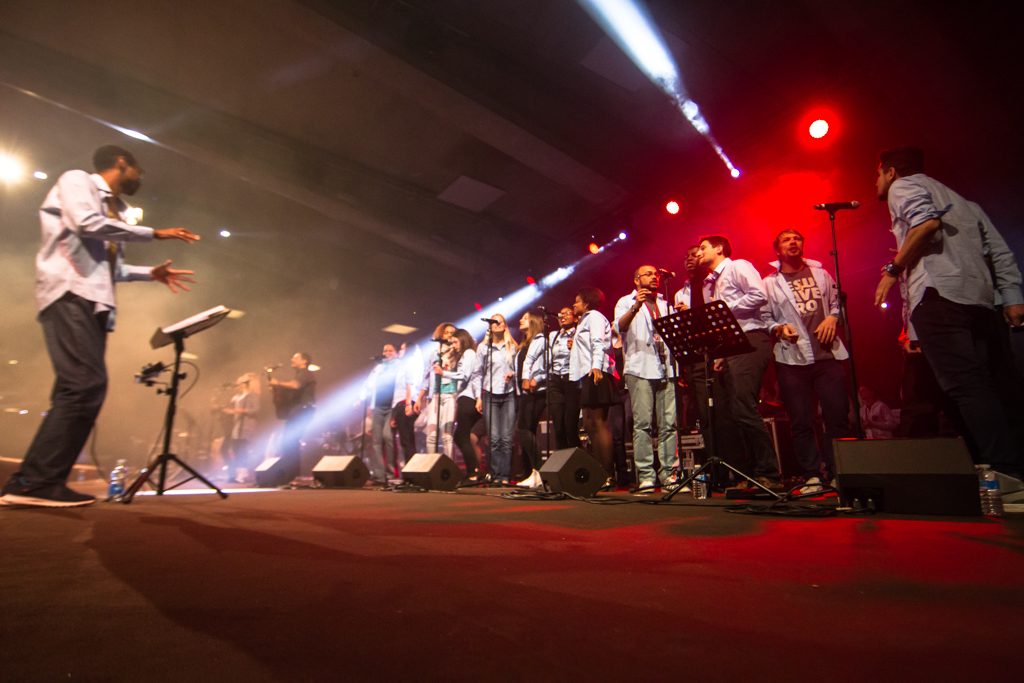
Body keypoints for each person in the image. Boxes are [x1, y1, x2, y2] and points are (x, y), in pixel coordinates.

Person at [1, 145, 199, 508]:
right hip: (69, 293)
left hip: (91, 300)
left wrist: (150, 274)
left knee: (76, 388)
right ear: (122, 163)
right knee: (85, 385)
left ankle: (36, 482)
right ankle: (35, 483)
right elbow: (85, 224)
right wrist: (155, 234)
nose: (140, 178)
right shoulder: (78, 181)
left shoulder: (116, 211)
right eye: (139, 171)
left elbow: (109, 269)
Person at [873, 146, 1024, 477]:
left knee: (965, 388)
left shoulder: (903, 186)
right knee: (980, 388)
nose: (877, 183)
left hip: (940, 299)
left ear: (890, 172)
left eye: (878, 175)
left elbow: (926, 224)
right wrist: (1012, 297)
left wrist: (892, 270)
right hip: (981, 301)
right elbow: (1000, 252)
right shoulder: (966, 203)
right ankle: (988, 467)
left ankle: (1005, 471)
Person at [675, 235, 779, 488]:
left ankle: (769, 472)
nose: (699, 253)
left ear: (719, 248)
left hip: (750, 339)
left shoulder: (737, 266)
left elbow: (758, 294)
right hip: (732, 346)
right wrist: (721, 354)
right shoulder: (713, 284)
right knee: (732, 411)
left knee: (743, 406)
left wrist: (724, 308)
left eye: (703, 248)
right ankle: (751, 474)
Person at [762, 229, 852, 486]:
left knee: (836, 416)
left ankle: (839, 473)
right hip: (792, 359)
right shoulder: (769, 282)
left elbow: (836, 303)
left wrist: (833, 317)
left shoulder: (821, 274)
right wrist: (778, 328)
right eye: (786, 239)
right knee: (800, 419)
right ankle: (812, 474)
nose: (793, 242)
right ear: (777, 250)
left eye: (797, 238)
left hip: (827, 355)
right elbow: (765, 317)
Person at [614, 265, 677, 491]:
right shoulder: (625, 301)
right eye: (648, 274)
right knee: (643, 424)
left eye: (656, 274)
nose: (654, 277)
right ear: (636, 279)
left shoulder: (666, 304)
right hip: (640, 367)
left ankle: (669, 474)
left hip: (666, 367)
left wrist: (680, 316)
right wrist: (636, 307)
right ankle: (646, 475)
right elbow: (619, 327)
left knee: (669, 424)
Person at [569, 287, 614, 480]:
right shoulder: (584, 320)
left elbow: (598, 342)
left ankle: (607, 474)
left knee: (598, 422)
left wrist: (596, 366)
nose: (574, 305)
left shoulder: (594, 316)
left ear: (586, 303)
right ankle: (600, 472)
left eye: (577, 301)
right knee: (589, 423)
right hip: (587, 373)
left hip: (596, 372)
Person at [478, 314, 518, 483]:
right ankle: (495, 475)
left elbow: (519, 368)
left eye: (500, 321)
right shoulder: (483, 348)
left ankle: (505, 475)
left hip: (508, 394)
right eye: (493, 321)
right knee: (494, 438)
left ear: (505, 325)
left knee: (506, 438)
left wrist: (513, 373)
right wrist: (478, 397)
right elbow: (478, 373)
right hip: (490, 394)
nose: (497, 323)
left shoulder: (512, 347)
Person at [268, 352, 317, 485]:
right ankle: (291, 474)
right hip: (298, 410)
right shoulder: (300, 374)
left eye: (295, 358)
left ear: (304, 361)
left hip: (303, 410)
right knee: (290, 441)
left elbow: (295, 385)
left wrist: (277, 382)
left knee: (291, 441)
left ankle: (293, 475)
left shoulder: (306, 373)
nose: (292, 359)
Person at [443, 329, 484, 477]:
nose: (453, 345)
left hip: (468, 399)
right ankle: (473, 471)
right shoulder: (464, 355)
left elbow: (464, 375)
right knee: (463, 437)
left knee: (461, 436)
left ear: (463, 339)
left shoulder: (469, 353)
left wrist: (443, 373)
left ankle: (473, 471)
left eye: (455, 342)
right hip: (465, 398)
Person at [515, 310, 548, 489]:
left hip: (536, 391)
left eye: (526, 318)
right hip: (525, 392)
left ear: (534, 321)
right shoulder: (525, 343)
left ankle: (539, 470)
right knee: (526, 431)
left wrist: (537, 379)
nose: (521, 320)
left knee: (523, 429)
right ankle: (533, 473)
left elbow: (547, 365)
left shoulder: (540, 340)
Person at [362, 343, 403, 482]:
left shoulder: (399, 366)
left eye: (390, 350)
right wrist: (364, 399)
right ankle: (380, 475)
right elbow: (368, 384)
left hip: (392, 407)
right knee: (376, 441)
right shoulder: (378, 367)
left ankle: (391, 472)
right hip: (378, 407)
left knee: (388, 437)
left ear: (396, 353)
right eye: (385, 350)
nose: (387, 353)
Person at [547, 306, 581, 450]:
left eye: (567, 313)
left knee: (570, 425)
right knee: (558, 425)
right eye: (561, 314)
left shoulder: (579, 334)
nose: (563, 316)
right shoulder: (553, 335)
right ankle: (562, 456)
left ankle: (576, 456)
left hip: (571, 379)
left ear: (575, 318)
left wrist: (575, 348)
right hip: (555, 379)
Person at [222, 372, 261, 483]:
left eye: (239, 383)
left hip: (246, 426)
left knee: (243, 450)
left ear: (245, 384)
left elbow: (256, 410)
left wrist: (239, 410)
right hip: (237, 426)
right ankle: (236, 473)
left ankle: (243, 473)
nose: (237, 384)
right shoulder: (237, 397)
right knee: (235, 449)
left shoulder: (252, 395)